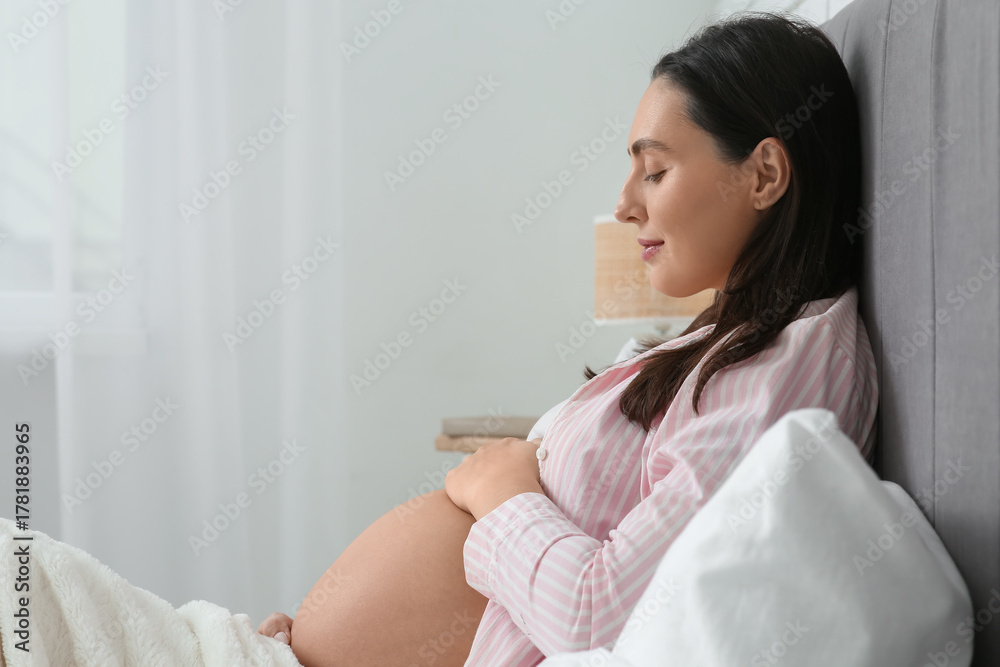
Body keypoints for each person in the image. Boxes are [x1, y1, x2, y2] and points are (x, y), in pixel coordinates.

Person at [258, 10, 878, 666]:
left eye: (654, 171)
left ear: (764, 175)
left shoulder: (785, 373)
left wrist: (500, 489)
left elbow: (603, 619)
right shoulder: (733, 342)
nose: (625, 205)